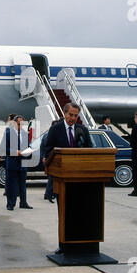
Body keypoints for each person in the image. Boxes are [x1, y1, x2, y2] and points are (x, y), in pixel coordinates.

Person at [45, 103, 92, 255]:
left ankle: (80, 244)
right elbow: (48, 150)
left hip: (80, 180)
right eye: (70, 115)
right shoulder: (55, 129)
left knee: (80, 213)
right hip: (62, 180)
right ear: (64, 114)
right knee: (64, 214)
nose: (73, 118)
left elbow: (90, 149)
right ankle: (63, 245)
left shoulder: (83, 130)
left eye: (75, 115)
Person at [0, 115, 32, 211]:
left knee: (22, 184)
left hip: (23, 163)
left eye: (22, 124)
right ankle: (10, 204)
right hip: (12, 163)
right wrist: (15, 152)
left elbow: (27, 147)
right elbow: (4, 149)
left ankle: (23, 202)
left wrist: (29, 152)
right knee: (11, 185)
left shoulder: (25, 134)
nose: (20, 125)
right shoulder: (8, 133)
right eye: (19, 124)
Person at [40, 121, 58, 203]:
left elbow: (42, 148)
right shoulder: (50, 136)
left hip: (46, 159)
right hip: (50, 159)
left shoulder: (45, 135)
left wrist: (43, 157)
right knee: (52, 178)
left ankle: (49, 193)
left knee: (50, 177)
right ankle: (48, 194)